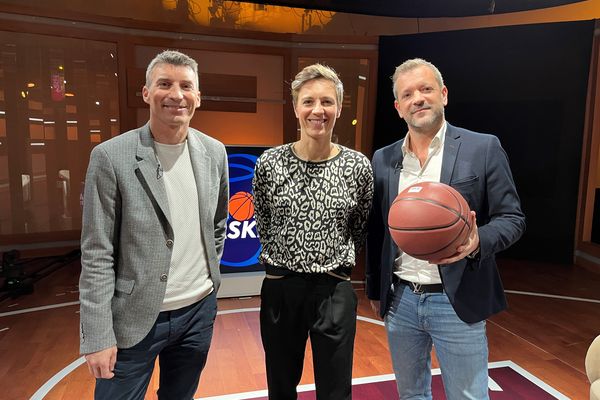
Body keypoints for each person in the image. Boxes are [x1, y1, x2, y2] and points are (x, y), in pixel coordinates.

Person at [366, 58, 526, 399]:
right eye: (407, 94)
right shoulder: (383, 158)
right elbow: (378, 230)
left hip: (457, 299)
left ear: (444, 94)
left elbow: (513, 218)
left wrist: (476, 240)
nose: (418, 99)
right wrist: (377, 291)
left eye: (425, 89)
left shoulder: (482, 148)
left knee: (468, 396)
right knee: (411, 394)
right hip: (401, 299)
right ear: (398, 108)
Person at [79, 49, 229, 399]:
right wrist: (98, 335)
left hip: (197, 313)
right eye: (165, 84)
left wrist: (206, 280)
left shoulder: (214, 152)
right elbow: (97, 252)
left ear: (198, 97)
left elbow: (217, 225)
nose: (176, 95)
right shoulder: (110, 157)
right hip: (134, 319)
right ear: (146, 93)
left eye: (186, 86)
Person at [252, 63, 374, 400]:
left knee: (335, 391)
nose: (317, 110)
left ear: (338, 108)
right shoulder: (269, 163)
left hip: (333, 289)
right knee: (280, 386)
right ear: (295, 107)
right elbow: (264, 220)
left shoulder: (357, 166)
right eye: (308, 101)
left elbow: (359, 225)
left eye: (326, 102)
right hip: (281, 287)